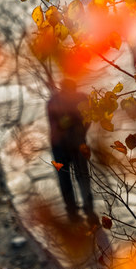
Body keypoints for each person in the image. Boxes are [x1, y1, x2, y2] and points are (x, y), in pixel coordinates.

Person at [47, 78, 97, 224]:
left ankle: (78, 212)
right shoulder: (79, 99)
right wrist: (79, 130)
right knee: (76, 179)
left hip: (66, 145)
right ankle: (82, 212)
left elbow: (88, 119)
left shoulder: (54, 101)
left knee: (71, 179)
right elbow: (86, 120)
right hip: (65, 145)